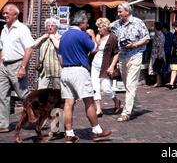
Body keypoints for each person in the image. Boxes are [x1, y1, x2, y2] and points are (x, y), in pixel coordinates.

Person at [59, 11, 111, 143]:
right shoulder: (81, 35)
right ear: (82, 22)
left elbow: (60, 57)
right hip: (79, 70)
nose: (87, 24)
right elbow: (94, 48)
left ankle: (69, 134)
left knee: (68, 103)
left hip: (65, 70)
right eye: (86, 22)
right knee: (89, 101)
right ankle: (97, 131)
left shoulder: (64, 35)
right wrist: (93, 35)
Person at [111, 3, 150, 122]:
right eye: (118, 12)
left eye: (120, 11)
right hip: (122, 56)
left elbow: (147, 38)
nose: (118, 14)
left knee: (130, 84)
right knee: (128, 84)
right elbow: (107, 27)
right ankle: (137, 106)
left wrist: (134, 44)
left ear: (127, 12)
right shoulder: (117, 24)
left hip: (135, 55)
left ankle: (126, 112)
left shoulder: (138, 22)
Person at [0, 4, 35, 133]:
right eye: (3, 13)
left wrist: (22, 67)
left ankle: (34, 114)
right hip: (4, 65)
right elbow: (2, 47)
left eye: (7, 13)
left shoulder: (22, 29)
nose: (4, 15)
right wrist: (1, 63)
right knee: (2, 95)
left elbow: (29, 48)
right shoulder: (4, 29)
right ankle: (3, 124)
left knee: (23, 94)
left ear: (15, 14)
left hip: (17, 64)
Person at [90, 18, 121, 117]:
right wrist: (94, 37)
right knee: (95, 87)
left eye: (100, 27)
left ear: (105, 27)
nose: (98, 29)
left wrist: (112, 66)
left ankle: (116, 100)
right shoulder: (99, 36)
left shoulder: (113, 38)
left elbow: (116, 53)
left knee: (106, 88)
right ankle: (98, 109)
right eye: (97, 27)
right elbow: (94, 50)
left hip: (105, 65)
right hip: (95, 64)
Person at [32, 18, 61, 90]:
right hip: (44, 71)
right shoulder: (44, 39)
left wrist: (53, 38)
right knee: (41, 91)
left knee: (58, 92)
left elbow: (59, 46)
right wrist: (42, 38)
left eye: (52, 25)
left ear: (56, 27)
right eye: (48, 26)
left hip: (56, 70)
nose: (50, 27)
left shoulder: (60, 37)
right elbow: (33, 46)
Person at [148, 22, 165, 88]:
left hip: (158, 54)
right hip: (154, 53)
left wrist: (159, 54)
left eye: (154, 27)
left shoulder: (160, 35)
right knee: (156, 68)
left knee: (157, 68)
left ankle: (158, 82)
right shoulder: (156, 34)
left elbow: (160, 46)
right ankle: (158, 82)